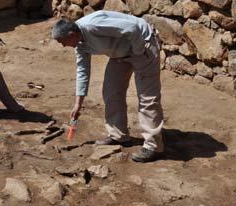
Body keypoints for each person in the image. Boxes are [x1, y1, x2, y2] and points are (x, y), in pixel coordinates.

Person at [51, 10, 164, 162]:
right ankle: (119, 135)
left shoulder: (93, 25)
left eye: (62, 41)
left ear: (72, 34)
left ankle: (152, 146)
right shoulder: (79, 44)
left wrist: (138, 52)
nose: (63, 45)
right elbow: (82, 71)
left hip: (142, 44)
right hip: (120, 54)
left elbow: (132, 28)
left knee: (147, 97)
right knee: (111, 92)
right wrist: (78, 104)